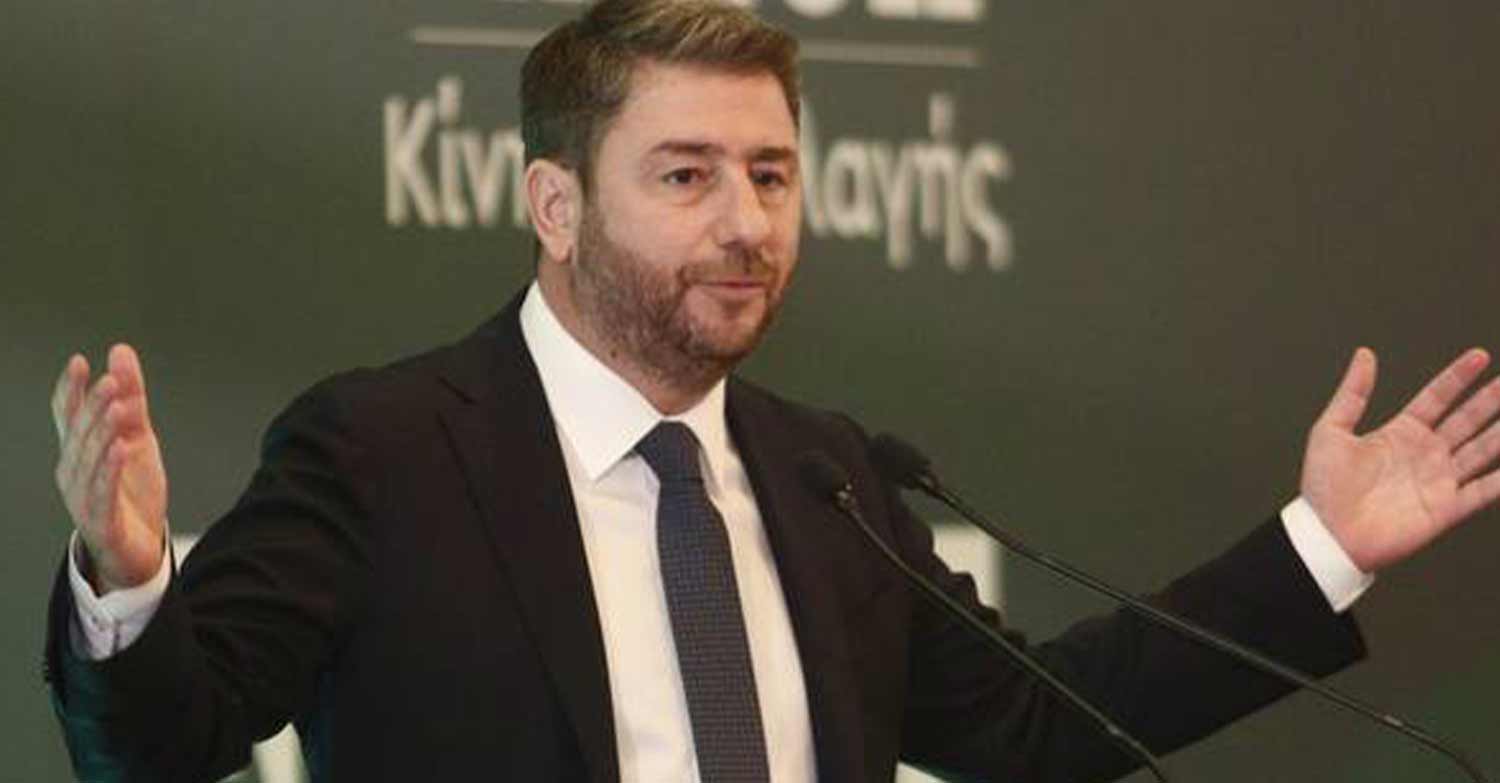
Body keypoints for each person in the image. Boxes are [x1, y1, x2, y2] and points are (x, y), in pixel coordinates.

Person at [45, 0, 1500, 781]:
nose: (747, 222)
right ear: (555, 205)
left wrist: (1322, 546)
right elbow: (167, 747)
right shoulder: (385, 449)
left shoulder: (826, 478)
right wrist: (127, 582)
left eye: (771, 173)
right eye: (686, 176)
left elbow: (1042, 726)